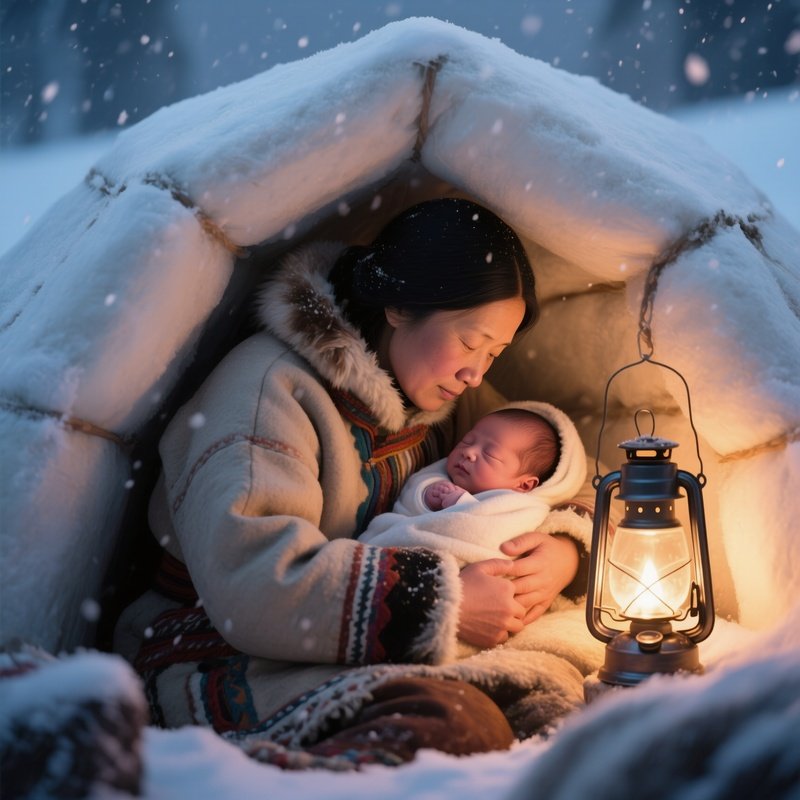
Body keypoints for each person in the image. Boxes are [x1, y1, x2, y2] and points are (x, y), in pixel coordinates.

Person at [115, 197, 594, 766]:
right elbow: (252, 580)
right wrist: (449, 602)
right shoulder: (268, 388)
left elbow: (547, 464)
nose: (476, 373)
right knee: (450, 725)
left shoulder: (440, 393)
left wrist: (563, 549)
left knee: (563, 701)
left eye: (494, 352)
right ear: (398, 306)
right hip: (221, 653)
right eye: (469, 342)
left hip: (347, 651)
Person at [360, 401, 587, 572]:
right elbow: (411, 498)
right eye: (468, 441)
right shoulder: (440, 473)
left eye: (489, 454)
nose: (469, 451)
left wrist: (462, 504)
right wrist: (427, 495)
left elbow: (491, 538)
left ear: (524, 484)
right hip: (395, 553)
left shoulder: (522, 507)